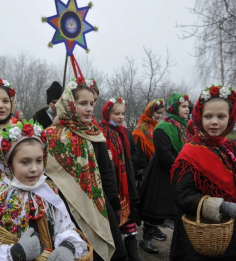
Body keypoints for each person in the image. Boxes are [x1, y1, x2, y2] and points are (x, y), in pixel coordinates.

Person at [0, 121, 88, 261]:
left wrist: (67, 247)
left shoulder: (49, 193)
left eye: (39, 160)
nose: (34, 169)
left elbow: (64, 227)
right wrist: (15, 254)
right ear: (9, 164)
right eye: (25, 162)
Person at [170, 85, 236, 261]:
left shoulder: (233, 149)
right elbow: (182, 195)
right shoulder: (189, 153)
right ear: (199, 117)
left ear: (230, 118)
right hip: (201, 232)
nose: (214, 122)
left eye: (221, 116)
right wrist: (221, 206)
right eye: (208, 116)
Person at [44, 78, 127, 261]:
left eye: (91, 103)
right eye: (83, 103)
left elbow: (106, 173)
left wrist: (113, 206)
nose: (90, 108)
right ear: (69, 104)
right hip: (65, 209)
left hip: (96, 205)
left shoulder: (95, 134)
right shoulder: (50, 136)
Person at [138, 93, 191, 254]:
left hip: (177, 172)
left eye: (188, 107)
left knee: (174, 209)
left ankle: (178, 240)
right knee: (156, 207)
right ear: (174, 107)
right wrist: (180, 167)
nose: (187, 110)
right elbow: (163, 153)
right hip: (162, 173)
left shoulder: (183, 127)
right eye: (183, 106)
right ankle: (145, 238)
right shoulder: (164, 127)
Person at [100, 97, 141, 261]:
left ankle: (133, 254)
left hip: (126, 182)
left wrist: (128, 164)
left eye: (123, 113)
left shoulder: (125, 132)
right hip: (112, 182)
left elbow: (134, 152)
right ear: (108, 113)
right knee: (114, 220)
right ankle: (117, 252)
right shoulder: (101, 131)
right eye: (117, 113)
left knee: (129, 218)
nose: (121, 117)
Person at [132, 100, 168, 245]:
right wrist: (144, 171)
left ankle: (153, 228)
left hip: (155, 169)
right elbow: (140, 153)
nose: (159, 116)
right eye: (157, 113)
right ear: (150, 111)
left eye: (161, 113)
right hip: (144, 171)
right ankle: (146, 233)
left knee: (156, 202)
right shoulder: (141, 129)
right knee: (147, 202)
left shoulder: (157, 127)